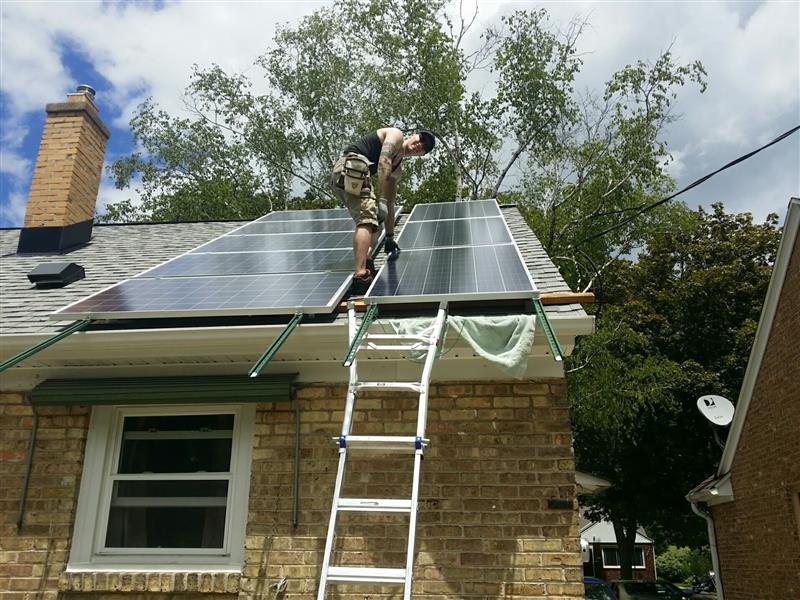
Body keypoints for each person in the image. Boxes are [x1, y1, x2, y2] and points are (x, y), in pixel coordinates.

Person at [331, 127, 436, 293]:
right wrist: (382, 201)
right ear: (413, 135)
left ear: (422, 155)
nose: (420, 144)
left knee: (375, 223)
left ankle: (367, 260)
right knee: (367, 219)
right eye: (421, 138)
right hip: (352, 166)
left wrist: (389, 237)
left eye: (425, 147)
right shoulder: (396, 135)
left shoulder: (397, 170)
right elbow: (383, 161)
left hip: (350, 175)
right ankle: (360, 275)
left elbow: (390, 203)